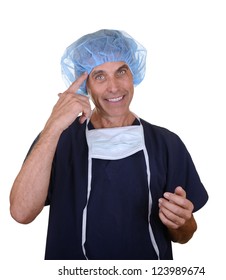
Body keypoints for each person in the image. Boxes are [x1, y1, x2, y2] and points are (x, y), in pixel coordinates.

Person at [9, 29, 208, 260]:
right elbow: (21, 213)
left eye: (121, 71)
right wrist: (53, 125)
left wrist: (182, 222)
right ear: (86, 85)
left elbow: (184, 235)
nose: (114, 87)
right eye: (100, 76)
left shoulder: (166, 144)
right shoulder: (58, 139)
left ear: (133, 74)